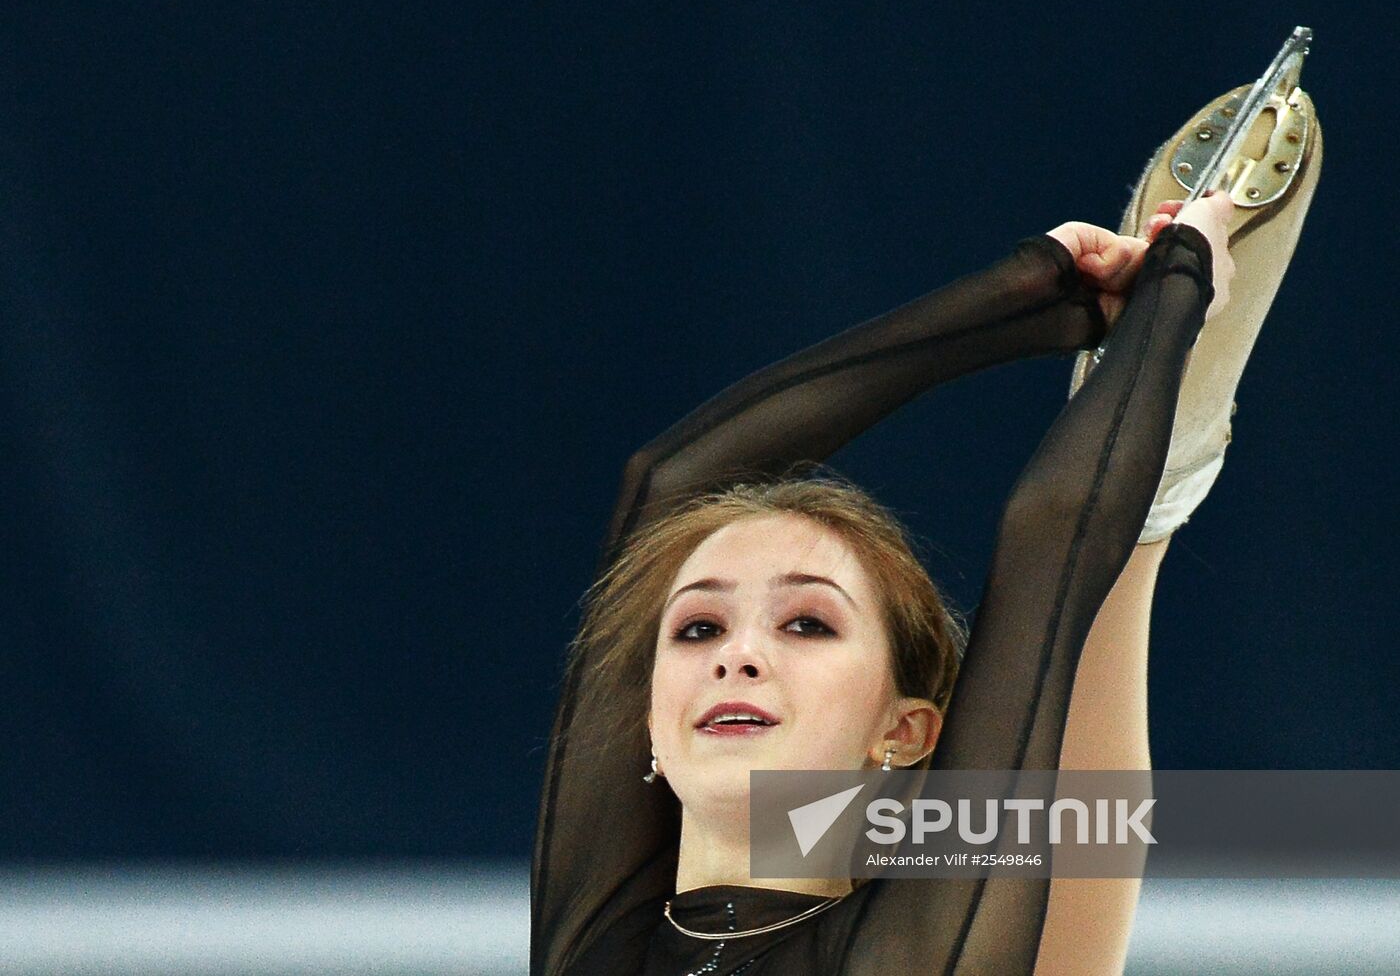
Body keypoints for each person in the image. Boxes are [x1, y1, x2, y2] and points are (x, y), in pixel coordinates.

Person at [532, 85, 1320, 975]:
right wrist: (1031, 297)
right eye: (698, 627)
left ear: (904, 731)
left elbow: (1049, 546)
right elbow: (668, 487)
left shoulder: (896, 955)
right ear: (643, 721)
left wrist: (1167, 293)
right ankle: (1157, 466)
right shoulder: (594, 935)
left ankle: (1156, 491)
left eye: (807, 623)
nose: (736, 655)